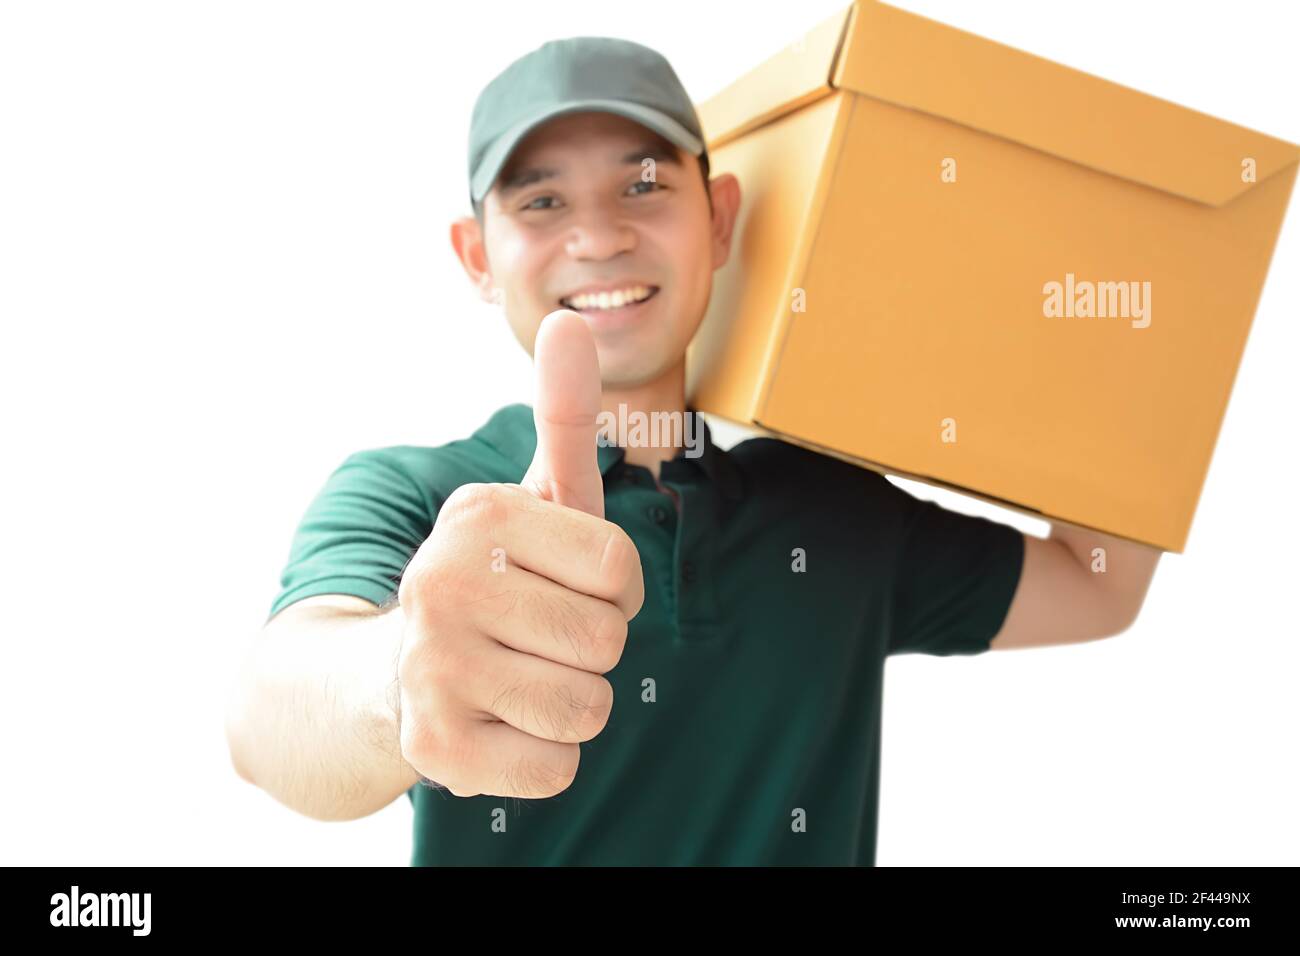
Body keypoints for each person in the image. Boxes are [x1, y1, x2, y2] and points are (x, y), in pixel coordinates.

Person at [224, 36, 1162, 865]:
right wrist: (401, 674)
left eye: (643, 184)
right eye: (543, 200)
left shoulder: (832, 508)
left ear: (717, 219)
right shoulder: (419, 497)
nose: (599, 237)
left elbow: (1099, 581)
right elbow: (269, 726)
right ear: (477, 256)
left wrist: (1099, 314)